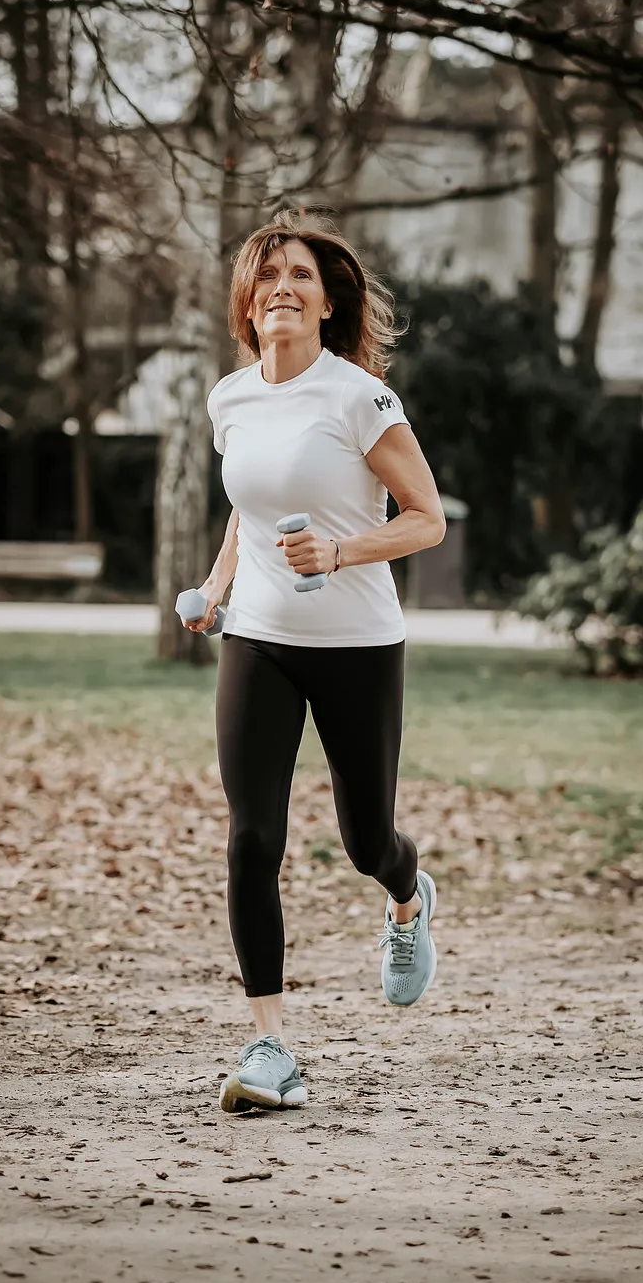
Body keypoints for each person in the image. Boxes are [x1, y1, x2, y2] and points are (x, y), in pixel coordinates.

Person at [180, 211, 446, 1114]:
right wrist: (219, 588)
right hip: (259, 637)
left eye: (299, 275)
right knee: (253, 839)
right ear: (248, 306)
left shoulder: (356, 398)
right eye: (267, 277)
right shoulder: (231, 399)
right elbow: (249, 507)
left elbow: (426, 518)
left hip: (358, 645)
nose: (282, 288)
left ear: (328, 302)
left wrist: (336, 554)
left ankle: (408, 902)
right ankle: (270, 1047)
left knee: (366, 839)